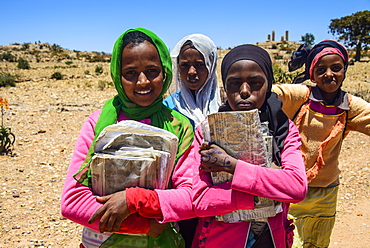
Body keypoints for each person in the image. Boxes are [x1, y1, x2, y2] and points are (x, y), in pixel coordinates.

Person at [61, 28, 196, 248]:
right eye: (131, 73)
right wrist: (141, 225)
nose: (142, 81)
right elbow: (73, 201)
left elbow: (190, 197)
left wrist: (134, 200)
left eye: (152, 70)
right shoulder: (98, 124)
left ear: (165, 72)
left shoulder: (178, 127)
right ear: (117, 75)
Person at [183, 44, 307, 248]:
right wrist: (271, 186)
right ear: (225, 88)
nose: (244, 91)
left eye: (255, 82)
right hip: (221, 239)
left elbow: (296, 187)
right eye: (234, 83)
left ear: (269, 84)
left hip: (270, 238)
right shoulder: (207, 132)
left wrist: (231, 165)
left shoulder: (284, 129)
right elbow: (200, 201)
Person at [272, 39, 370, 248]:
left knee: (318, 243)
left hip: (326, 192)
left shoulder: (349, 106)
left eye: (336, 68)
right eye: (321, 69)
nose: (329, 74)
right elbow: (272, 92)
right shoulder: (302, 96)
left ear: (344, 70)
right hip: (294, 191)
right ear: (312, 73)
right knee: (291, 242)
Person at [164, 33, 221, 128]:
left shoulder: (224, 104)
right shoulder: (169, 106)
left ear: (211, 67)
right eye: (184, 65)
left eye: (199, 65)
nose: (191, 72)